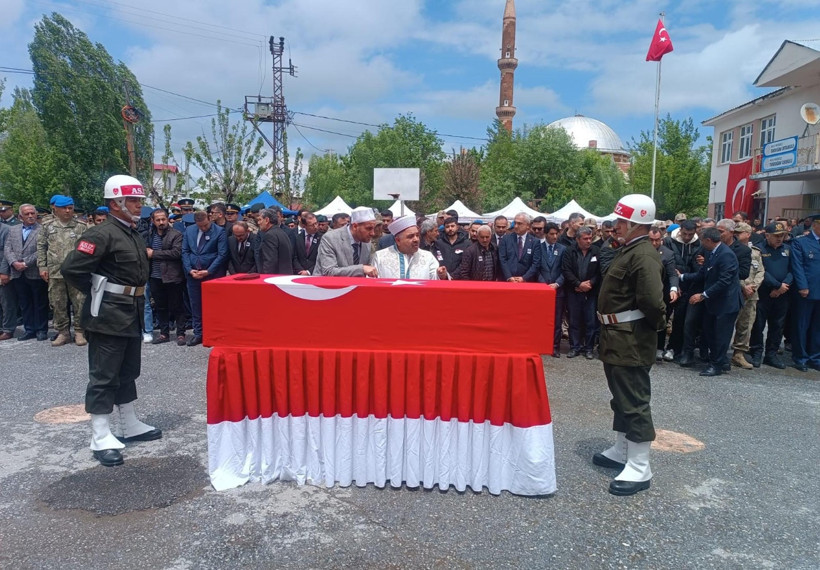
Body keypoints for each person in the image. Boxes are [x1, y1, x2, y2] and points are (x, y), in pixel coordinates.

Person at [61, 175, 162, 467]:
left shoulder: (132, 232)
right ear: (116, 203)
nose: (139, 205)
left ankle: (129, 424)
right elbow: (72, 269)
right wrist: (100, 293)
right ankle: (100, 434)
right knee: (104, 375)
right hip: (108, 315)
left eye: (140, 200)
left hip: (131, 311)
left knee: (127, 370)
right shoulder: (100, 234)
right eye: (133, 200)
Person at [593, 194, 665, 496]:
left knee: (634, 401)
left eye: (622, 221)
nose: (616, 226)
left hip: (631, 339)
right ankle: (623, 450)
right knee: (621, 397)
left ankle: (639, 465)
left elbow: (652, 302)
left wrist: (657, 327)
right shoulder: (630, 249)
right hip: (617, 336)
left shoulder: (643, 254)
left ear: (638, 224)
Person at [681, 227, 743, 377]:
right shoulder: (711, 252)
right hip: (714, 302)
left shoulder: (726, 255)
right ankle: (718, 360)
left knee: (721, 335)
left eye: (702, 241)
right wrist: (682, 277)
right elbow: (703, 273)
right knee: (711, 332)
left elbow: (724, 281)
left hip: (726, 303)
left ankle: (717, 365)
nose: (701, 244)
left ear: (708, 240)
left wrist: (703, 295)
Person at [36, 195, 88, 347]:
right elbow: (41, 247)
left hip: (76, 272)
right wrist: (42, 266)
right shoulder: (47, 226)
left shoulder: (81, 226)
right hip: (55, 271)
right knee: (57, 302)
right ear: (56, 209)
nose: (67, 211)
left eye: (70, 208)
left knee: (80, 302)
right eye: (64, 208)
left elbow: (87, 248)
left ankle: (79, 331)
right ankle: (63, 332)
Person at [748, 221, 793, 369]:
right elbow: (761, 271)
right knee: (758, 324)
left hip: (783, 294)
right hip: (764, 293)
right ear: (767, 235)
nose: (779, 238)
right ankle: (756, 352)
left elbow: (792, 270)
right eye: (776, 236)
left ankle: (771, 354)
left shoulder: (788, 249)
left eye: (782, 235)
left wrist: (783, 286)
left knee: (777, 326)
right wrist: (776, 285)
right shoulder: (759, 249)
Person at [181, 210, 228, 346]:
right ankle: (198, 333)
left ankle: (214, 333)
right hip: (194, 274)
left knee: (214, 305)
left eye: (206, 225)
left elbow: (222, 254)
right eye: (200, 226)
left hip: (212, 274)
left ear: (210, 219)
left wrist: (209, 271)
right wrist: (189, 270)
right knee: (196, 305)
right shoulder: (189, 231)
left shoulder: (219, 231)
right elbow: (185, 251)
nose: (203, 228)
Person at [4, 204, 48, 341]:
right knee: (25, 303)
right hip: (17, 272)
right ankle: (29, 329)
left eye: (32, 213)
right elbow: (7, 248)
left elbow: (42, 250)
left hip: (34, 271)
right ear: (20, 216)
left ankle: (41, 330)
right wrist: (14, 262)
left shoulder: (42, 230)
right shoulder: (13, 230)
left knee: (39, 302)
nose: (30, 216)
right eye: (27, 214)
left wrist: (25, 262)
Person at [145, 208, 187, 346]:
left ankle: (181, 334)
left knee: (177, 306)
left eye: (163, 219)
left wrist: (154, 254)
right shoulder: (149, 234)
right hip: (155, 276)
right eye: (158, 220)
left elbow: (176, 253)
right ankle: (164, 333)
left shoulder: (176, 234)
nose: (161, 222)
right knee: (160, 306)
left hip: (172, 276)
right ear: (153, 221)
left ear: (168, 219)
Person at [730, 222, 765, 369]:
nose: (736, 235)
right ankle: (719, 352)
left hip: (751, 295)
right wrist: (743, 286)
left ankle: (739, 353)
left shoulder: (756, 252)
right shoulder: (732, 249)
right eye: (735, 232)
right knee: (727, 323)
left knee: (746, 325)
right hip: (736, 291)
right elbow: (731, 270)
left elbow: (761, 271)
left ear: (748, 234)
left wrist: (753, 286)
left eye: (739, 233)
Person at [562, 226, 600, 359]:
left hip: (590, 292)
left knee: (590, 322)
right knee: (574, 321)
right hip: (574, 291)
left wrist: (590, 284)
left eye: (590, 238)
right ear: (578, 239)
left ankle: (588, 348)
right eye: (585, 238)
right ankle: (574, 347)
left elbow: (599, 272)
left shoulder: (596, 251)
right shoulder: (569, 251)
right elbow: (566, 270)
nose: (588, 241)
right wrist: (578, 284)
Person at [789, 213, 820, 371]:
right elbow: (797, 266)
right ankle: (800, 357)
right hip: (806, 290)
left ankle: (815, 357)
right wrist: (802, 286)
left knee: (817, 326)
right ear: (815, 225)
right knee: (801, 325)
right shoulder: (801, 242)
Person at [372, 217, 447, 279]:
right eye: (410, 236)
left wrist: (441, 275)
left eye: (417, 235)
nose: (416, 239)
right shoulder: (380, 257)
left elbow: (435, 279)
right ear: (398, 240)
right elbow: (373, 283)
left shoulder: (428, 257)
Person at [315, 207, 378, 277]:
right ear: (355, 226)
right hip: (325, 283)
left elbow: (369, 268)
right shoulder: (330, 238)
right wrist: (361, 269)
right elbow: (329, 271)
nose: (372, 233)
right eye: (369, 228)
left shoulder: (366, 242)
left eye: (373, 228)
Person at [537, 222, 566, 357]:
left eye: (556, 234)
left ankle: (555, 346)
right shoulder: (538, 247)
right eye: (551, 234)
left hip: (557, 290)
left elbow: (565, 270)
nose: (554, 237)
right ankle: (541, 344)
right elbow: (536, 268)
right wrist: (543, 284)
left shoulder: (563, 249)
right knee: (541, 318)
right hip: (542, 290)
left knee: (557, 319)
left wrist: (557, 283)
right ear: (545, 234)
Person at [499, 213, 541, 283]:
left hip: (526, 281)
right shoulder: (506, 239)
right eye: (515, 223)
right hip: (508, 281)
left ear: (528, 225)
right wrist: (509, 277)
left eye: (519, 224)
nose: (516, 226)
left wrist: (524, 278)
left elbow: (536, 263)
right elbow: (502, 259)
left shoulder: (535, 242)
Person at [256, 208, 294, 275]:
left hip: (273, 278)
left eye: (260, 220)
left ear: (267, 220)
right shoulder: (282, 232)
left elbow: (270, 262)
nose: (258, 223)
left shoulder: (270, 235)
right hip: (284, 276)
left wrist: (265, 277)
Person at [0, 222, 19, 340]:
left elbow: (7, 253)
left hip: (2, 271)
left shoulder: (6, 230)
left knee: (7, 302)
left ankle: (8, 329)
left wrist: (4, 272)